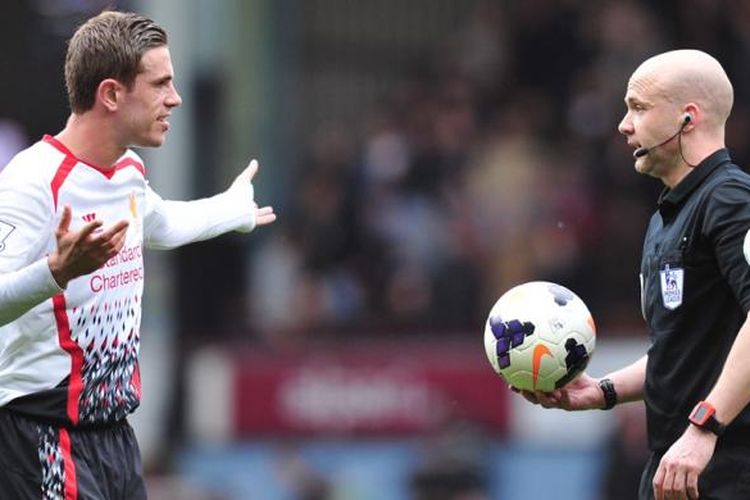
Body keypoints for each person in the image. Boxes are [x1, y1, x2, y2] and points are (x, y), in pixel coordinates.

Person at [0, 10, 276, 499]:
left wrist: (229, 210)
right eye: (159, 84)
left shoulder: (127, 168)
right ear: (110, 94)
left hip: (115, 440)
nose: (175, 98)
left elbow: (159, 223)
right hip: (43, 436)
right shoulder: (32, 182)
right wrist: (57, 273)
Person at [516, 49, 750, 500]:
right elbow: (681, 351)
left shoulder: (731, 201)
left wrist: (705, 426)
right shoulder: (666, 215)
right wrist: (602, 391)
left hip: (729, 467)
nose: (624, 125)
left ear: (688, 118)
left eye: (639, 108)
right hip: (674, 469)